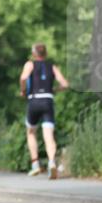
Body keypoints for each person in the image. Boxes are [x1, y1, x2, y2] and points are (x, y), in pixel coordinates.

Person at [19, 43, 69, 179]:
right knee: (49, 135)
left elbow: (23, 78)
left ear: (34, 54)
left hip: (34, 100)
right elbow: (65, 84)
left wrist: (23, 91)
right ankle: (51, 162)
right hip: (48, 100)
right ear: (45, 54)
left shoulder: (29, 65)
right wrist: (54, 90)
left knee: (31, 132)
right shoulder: (52, 67)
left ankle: (35, 164)